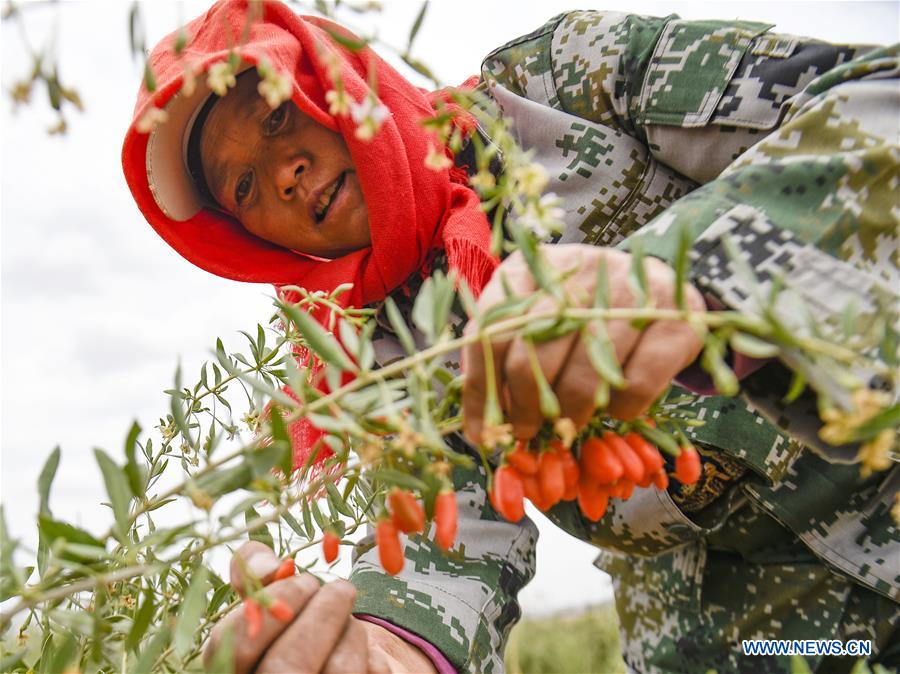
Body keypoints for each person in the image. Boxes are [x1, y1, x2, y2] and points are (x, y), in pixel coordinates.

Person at [122, 1, 899, 672]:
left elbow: (877, 100)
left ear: (336, 82)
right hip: (756, 634)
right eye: (246, 187)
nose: (282, 174)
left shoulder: (560, 85)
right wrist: (389, 651)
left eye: (277, 114)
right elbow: (444, 542)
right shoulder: (375, 358)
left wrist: (682, 275)